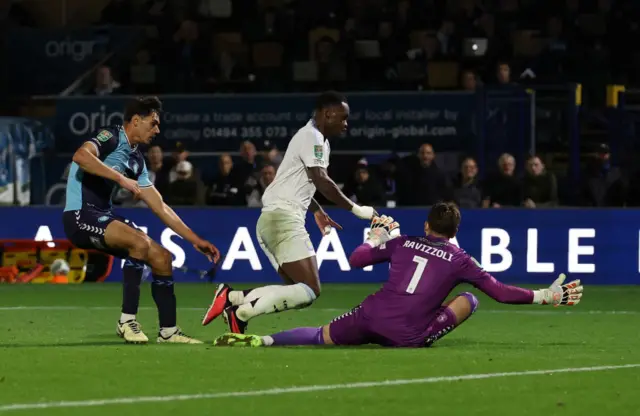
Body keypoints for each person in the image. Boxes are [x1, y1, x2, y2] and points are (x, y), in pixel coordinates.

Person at [212, 203, 583, 348]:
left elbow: (356, 260)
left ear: (426, 225)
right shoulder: (461, 260)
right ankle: (425, 335)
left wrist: (375, 237)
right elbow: (500, 292)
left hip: (370, 314)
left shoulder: (404, 242)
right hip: (406, 334)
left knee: (321, 336)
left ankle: (264, 341)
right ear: (455, 230)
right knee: (469, 299)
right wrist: (546, 295)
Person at [202, 91, 377, 333]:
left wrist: (315, 209)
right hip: (283, 219)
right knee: (310, 289)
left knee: (298, 291)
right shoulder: (312, 137)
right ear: (328, 114)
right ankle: (237, 305)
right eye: (343, 118)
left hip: (273, 219)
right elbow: (321, 179)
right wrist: (357, 210)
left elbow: (299, 179)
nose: (346, 124)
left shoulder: (316, 139)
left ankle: (235, 304)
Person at [62, 96, 220, 344]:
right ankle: (126, 321)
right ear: (136, 121)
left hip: (104, 215)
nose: (157, 130)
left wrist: (194, 240)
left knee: (162, 258)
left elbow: (159, 206)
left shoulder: (136, 160)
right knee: (140, 242)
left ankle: (168, 331)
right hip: (81, 215)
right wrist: (121, 179)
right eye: (153, 123)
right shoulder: (110, 136)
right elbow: (81, 156)